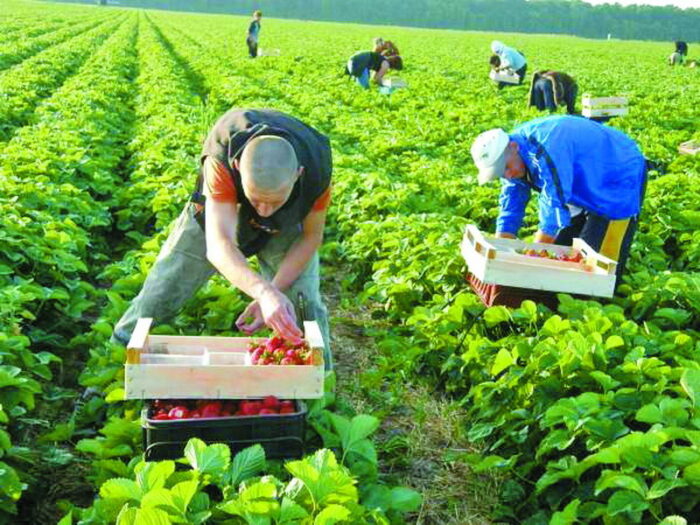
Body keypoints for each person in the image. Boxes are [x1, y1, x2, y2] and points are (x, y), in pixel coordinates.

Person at [112, 109, 334, 369]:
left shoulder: (318, 169)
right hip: (221, 209)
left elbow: (310, 238)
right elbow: (218, 246)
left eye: (273, 201)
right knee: (163, 289)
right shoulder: (221, 157)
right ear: (238, 168)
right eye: (257, 200)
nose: (263, 211)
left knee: (301, 301)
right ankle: (115, 359)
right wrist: (263, 292)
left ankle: (319, 383)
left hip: (286, 224)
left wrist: (275, 291)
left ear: (298, 174)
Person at [469, 115, 647, 283]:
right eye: (500, 172)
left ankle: (600, 304)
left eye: (506, 168)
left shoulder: (546, 148)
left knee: (598, 270)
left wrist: (529, 261)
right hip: (580, 182)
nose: (507, 175)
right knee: (563, 258)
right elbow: (511, 204)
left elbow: (552, 204)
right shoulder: (513, 158)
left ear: (514, 147)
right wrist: (499, 254)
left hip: (617, 174)